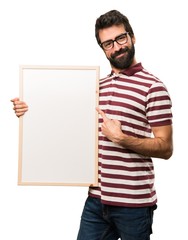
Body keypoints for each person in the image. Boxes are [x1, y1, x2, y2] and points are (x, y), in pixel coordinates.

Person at [11, 9, 173, 240]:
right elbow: (64, 123)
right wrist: (29, 113)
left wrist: (122, 138)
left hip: (134, 205)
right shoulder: (95, 87)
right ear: (103, 48)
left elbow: (166, 148)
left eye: (121, 38)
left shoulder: (153, 87)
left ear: (132, 37)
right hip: (96, 201)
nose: (116, 47)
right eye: (108, 43)